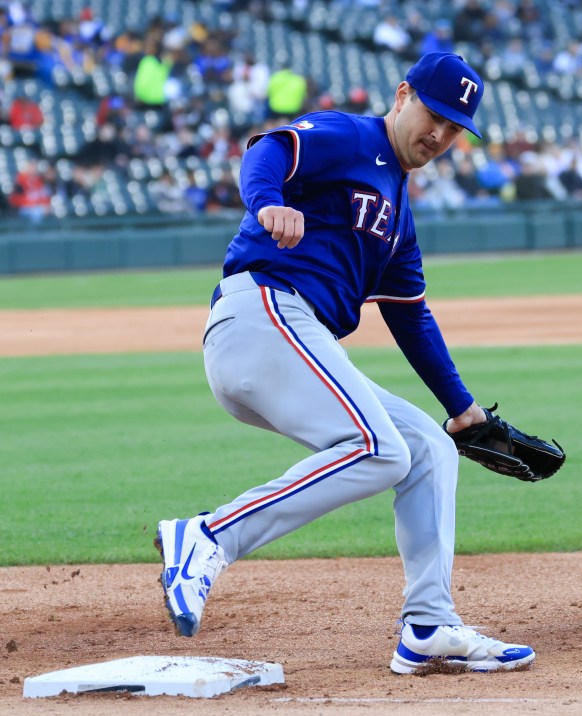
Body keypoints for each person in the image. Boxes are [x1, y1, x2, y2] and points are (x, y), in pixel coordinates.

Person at [155, 52, 536, 674]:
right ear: (402, 95)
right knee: (381, 450)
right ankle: (208, 537)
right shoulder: (351, 135)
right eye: (434, 115)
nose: (439, 135)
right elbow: (268, 150)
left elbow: (410, 315)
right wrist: (265, 202)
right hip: (263, 314)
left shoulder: (398, 218)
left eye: (454, 128)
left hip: (293, 342)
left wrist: (462, 411)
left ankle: (429, 624)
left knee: (426, 450)